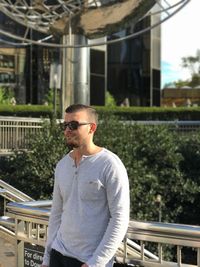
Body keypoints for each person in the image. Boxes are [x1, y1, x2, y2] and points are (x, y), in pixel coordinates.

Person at [41, 104, 130, 267]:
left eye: (73, 125)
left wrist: (96, 262)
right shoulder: (62, 165)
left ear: (92, 128)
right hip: (58, 255)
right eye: (64, 125)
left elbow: (120, 218)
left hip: (89, 260)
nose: (67, 130)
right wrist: (47, 258)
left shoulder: (110, 165)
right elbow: (56, 213)